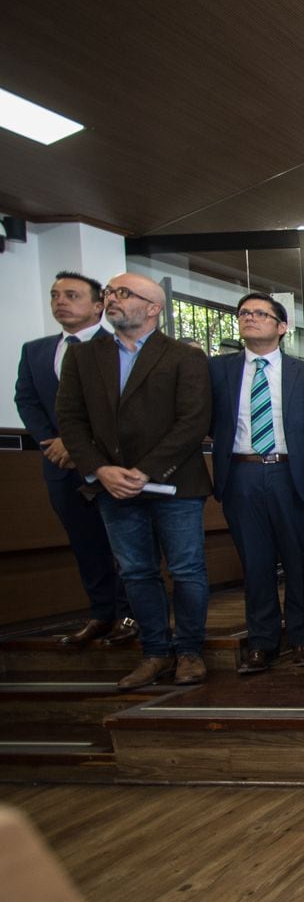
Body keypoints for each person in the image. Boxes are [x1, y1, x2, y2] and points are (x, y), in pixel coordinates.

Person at [55, 273, 213, 690]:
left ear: (153, 308)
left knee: (187, 569)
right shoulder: (84, 357)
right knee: (137, 572)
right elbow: (70, 420)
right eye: (110, 292)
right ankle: (155, 653)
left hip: (174, 483)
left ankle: (189, 651)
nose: (112, 299)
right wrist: (101, 469)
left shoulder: (183, 355)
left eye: (124, 294)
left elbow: (193, 421)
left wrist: (145, 471)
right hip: (112, 485)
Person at [13, 271, 135, 648]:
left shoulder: (120, 346)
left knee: (125, 545)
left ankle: (131, 613)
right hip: (61, 466)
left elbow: (124, 403)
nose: (60, 302)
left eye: (71, 295)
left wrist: (76, 443)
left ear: (98, 305)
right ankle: (101, 613)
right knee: (85, 543)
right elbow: (27, 400)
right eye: (54, 296)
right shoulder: (36, 351)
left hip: (110, 463)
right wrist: (51, 443)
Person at [209, 293, 304, 675]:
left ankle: (303, 637)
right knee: (255, 563)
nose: (250, 319)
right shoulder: (218, 370)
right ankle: (262, 642)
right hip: (241, 472)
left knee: (298, 560)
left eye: (260, 314)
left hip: (291, 473)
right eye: (244, 313)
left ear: (282, 326)